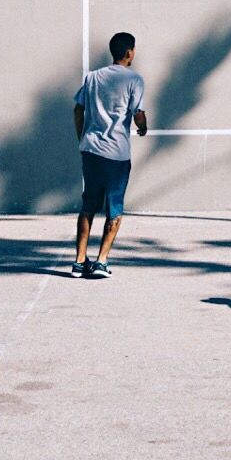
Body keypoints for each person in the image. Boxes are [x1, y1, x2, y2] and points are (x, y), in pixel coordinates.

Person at [72, 32, 147, 278]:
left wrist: (82, 137)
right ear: (129, 52)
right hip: (116, 155)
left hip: (90, 151)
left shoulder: (92, 77)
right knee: (114, 208)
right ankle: (102, 261)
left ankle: (79, 261)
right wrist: (143, 125)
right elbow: (137, 113)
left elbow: (78, 109)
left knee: (88, 206)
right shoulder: (134, 79)